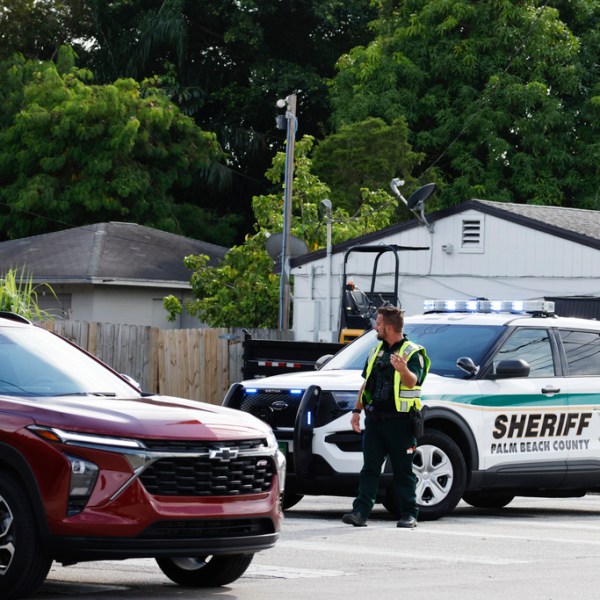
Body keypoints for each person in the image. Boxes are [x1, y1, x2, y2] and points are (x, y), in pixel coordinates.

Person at [342, 305, 430, 529]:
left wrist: (402, 370)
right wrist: (356, 411)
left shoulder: (412, 353)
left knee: (403, 471)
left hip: (400, 423)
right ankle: (360, 513)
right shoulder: (376, 351)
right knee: (370, 468)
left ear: (389, 327)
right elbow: (366, 383)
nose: (376, 327)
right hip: (375, 421)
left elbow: (413, 382)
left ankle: (409, 514)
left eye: (379, 324)